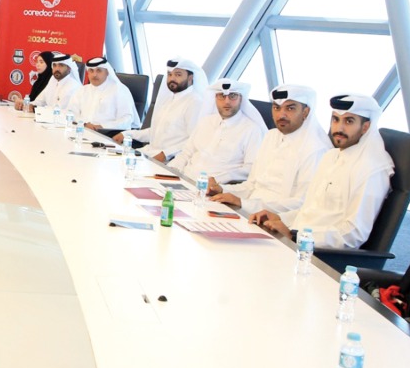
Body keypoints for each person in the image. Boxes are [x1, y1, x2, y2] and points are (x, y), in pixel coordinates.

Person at [251, 93, 394, 248]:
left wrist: (295, 236)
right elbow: (309, 210)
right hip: (296, 240)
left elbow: (353, 234)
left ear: (365, 127)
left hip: (317, 255)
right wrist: (279, 218)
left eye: (349, 121)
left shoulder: (372, 169)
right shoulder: (331, 156)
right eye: (335, 119)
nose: (339, 128)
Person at [209, 84, 331, 215]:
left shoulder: (316, 149)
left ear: (305, 112)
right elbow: (252, 185)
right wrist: (222, 189)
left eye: (290, 108)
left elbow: (302, 203)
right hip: (247, 211)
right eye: (276, 108)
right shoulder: (271, 136)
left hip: (275, 221)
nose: (281, 115)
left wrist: (244, 203)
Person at [168, 78, 266, 183]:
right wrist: (170, 170)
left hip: (216, 189)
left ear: (241, 99)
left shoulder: (251, 130)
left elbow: (250, 168)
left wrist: (219, 180)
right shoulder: (205, 121)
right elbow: (186, 153)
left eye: (232, 96)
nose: (227, 101)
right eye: (222, 96)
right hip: (184, 179)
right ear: (215, 98)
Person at [117, 57, 209, 162]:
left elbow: (193, 140)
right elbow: (155, 133)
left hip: (169, 161)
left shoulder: (195, 102)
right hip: (149, 154)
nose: (172, 78)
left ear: (190, 77)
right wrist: (127, 134)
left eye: (178, 75)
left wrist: (166, 154)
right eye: (169, 74)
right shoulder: (169, 99)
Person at [65, 57, 140, 130]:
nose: (94, 75)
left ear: (107, 72)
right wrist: (84, 123)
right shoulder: (82, 90)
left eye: (99, 71)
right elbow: (70, 112)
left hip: (108, 135)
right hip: (82, 130)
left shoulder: (120, 90)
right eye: (91, 70)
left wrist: (102, 127)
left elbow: (126, 119)